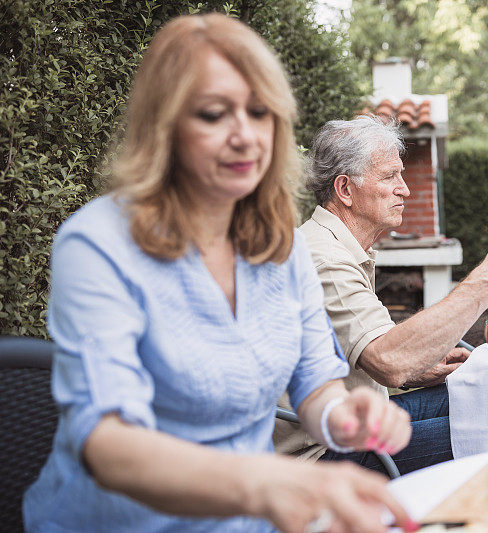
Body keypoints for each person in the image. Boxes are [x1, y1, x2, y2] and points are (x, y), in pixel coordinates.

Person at [23, 14, 416, 533]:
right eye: (213, 114)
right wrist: (263, 483)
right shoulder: (98, 243)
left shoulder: (281, 243)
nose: (245, 136)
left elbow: (316, 384)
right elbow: (108, 442)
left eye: (260, 112)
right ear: (163, 127)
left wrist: (347, 418)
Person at [274, 116, 488, 474]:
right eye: (390, 177)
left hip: (356, 417)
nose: (405, 190)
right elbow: (389, 360)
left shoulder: (337, 246)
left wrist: (415, 371)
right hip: (323, 453)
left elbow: (377, 359)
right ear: (345, 190)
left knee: (487, 398)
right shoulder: (324, 258)